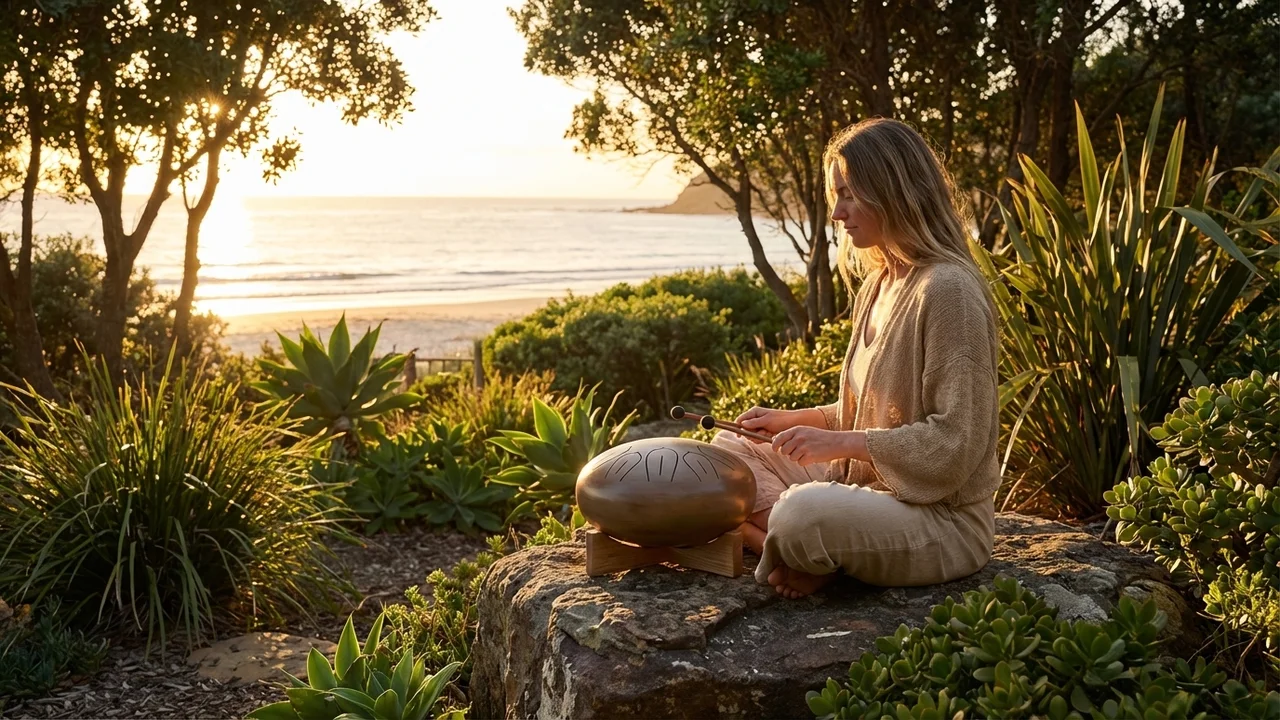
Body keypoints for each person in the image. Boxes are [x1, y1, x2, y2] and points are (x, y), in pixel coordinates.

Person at [711, 118, 1000, 599]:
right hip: (868, 490)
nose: (837, 213)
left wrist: (840, 443)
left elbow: (956, 443)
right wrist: (792, 419)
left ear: (894, 190)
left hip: (941, 519)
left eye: (848, 194)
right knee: (728, 450)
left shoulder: (950, 291)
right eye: (835, 195)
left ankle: (783, 544)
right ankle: (803, 554)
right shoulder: (879, 283)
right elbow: (874, 412)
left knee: (802, 513)